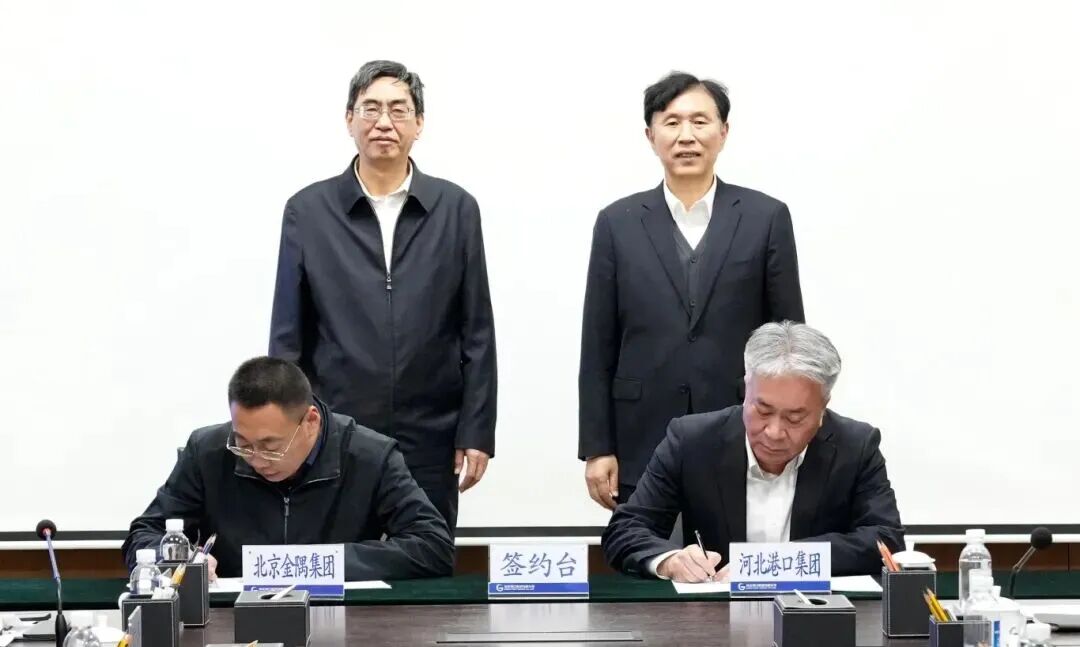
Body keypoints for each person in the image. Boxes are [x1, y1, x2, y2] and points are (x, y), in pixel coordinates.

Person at [269, 60, 497, 531]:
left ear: (419, 123)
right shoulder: (309, 211)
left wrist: (476, 430)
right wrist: (289, 429)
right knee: (340, 562)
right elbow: (288, 336)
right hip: (336, 430)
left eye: (399, 109)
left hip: (432, 434)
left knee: (425, 557)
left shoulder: (455, 208)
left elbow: (476, 331)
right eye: (370, 109)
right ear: (349, 119)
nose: (384, 122)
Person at [579, 71, 804, 510]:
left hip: (742, 429)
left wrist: (788, 431)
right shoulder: (617, 223)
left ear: (723, 132)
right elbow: (597, 344)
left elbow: (788, 340)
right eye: (672, 122)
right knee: (648, 549)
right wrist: (597, 447)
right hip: (640, 434)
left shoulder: (766, 217)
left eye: (700, 122)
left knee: (734, 549)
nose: (687, 136)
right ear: (651, 135)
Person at [601, 322, 904, 581]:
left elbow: (886, 539)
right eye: (763, 410)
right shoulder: (692, 440)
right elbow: (626, 530)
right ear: (747, 388)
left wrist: (778, 563)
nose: (774, 431)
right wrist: (669, 561)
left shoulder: (856, 445)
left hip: (814, 616)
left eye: (795, 418)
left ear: (823, 409)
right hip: (713, 619)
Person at [121, 357, 454, 580]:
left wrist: (318, 563)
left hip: (343, 619)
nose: (256, 459)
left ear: (311, 421)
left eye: (271, 446)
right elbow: (143, 535)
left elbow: (433, 546)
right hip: (231, 621)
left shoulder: (370, 455)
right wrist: (175, 558)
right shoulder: (207, 451)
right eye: (243, 443)